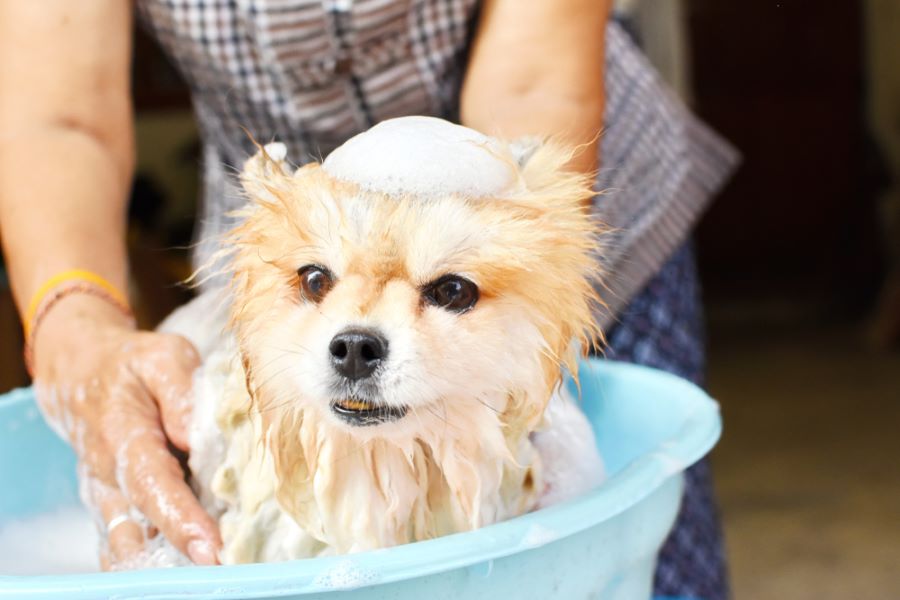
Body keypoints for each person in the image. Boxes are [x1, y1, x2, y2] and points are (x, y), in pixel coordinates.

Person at [0, 1, 735, 597]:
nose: (358, 334)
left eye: (445, 293)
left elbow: (531, 79)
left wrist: (518, 325)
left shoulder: (521, 251)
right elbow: (58, 114)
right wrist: (78, 324)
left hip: (534, 212)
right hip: (282, 225)